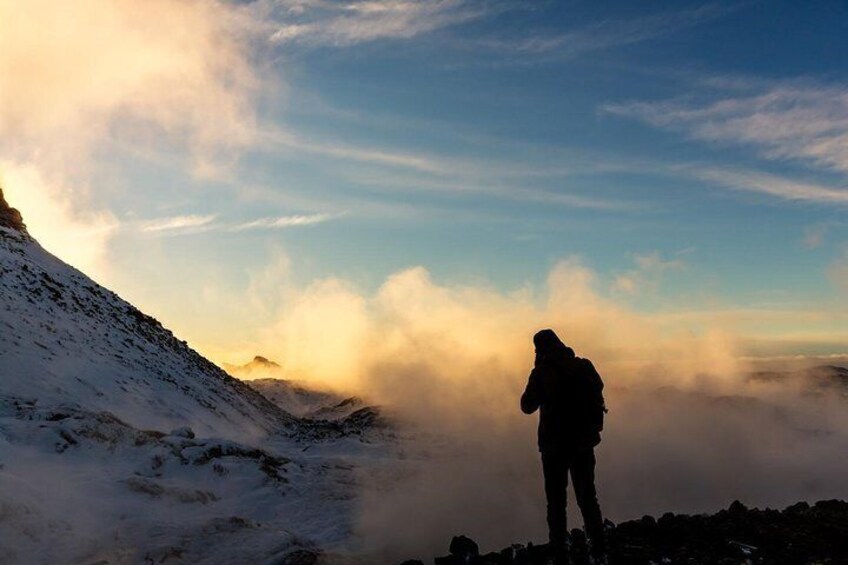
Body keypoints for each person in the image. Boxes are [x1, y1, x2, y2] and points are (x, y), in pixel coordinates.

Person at [521, 329, 607, 564]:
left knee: (556, 502)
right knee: (588, 497)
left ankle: (559, 552)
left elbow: (527, 406)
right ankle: (599, 549)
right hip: (583, 443)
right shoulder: (583, 366)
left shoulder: (541, 373)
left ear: (539, 349)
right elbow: (599, 387)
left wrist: (539, 372)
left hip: (554, 448)